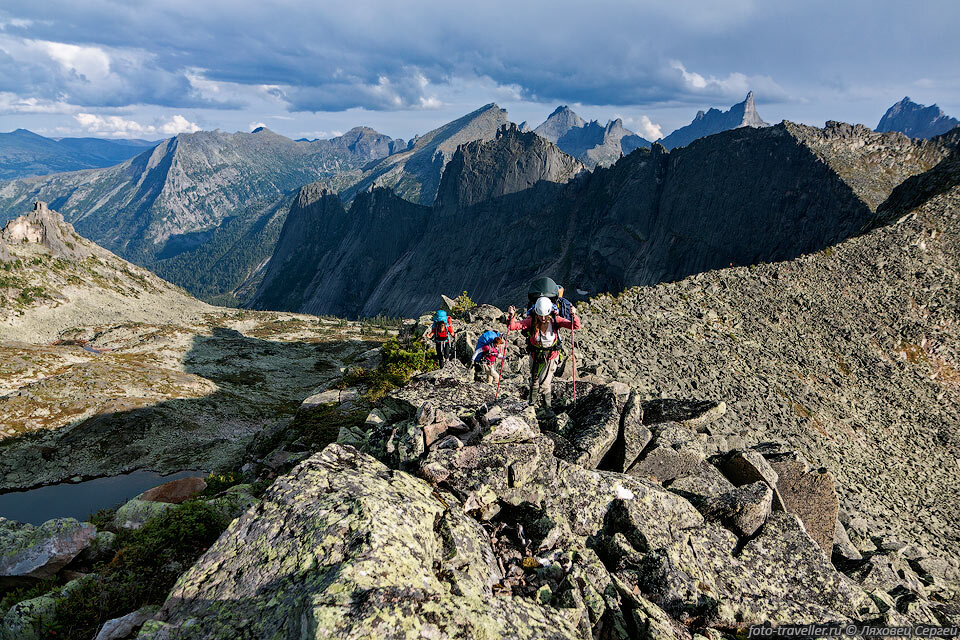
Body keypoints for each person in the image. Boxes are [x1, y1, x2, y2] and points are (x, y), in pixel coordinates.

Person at [507, 296, 580, 408]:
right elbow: (512, 327)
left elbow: (575, 326)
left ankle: (547, 409)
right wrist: (511, 316)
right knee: (534, 381)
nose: (543, 318)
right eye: (540, 315)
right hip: (535, 355)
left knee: (545, 384)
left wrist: (573, 315)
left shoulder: (556, 320)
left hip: (551, 356)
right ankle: (532, 404)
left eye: (545, 315)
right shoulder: (531, 321)